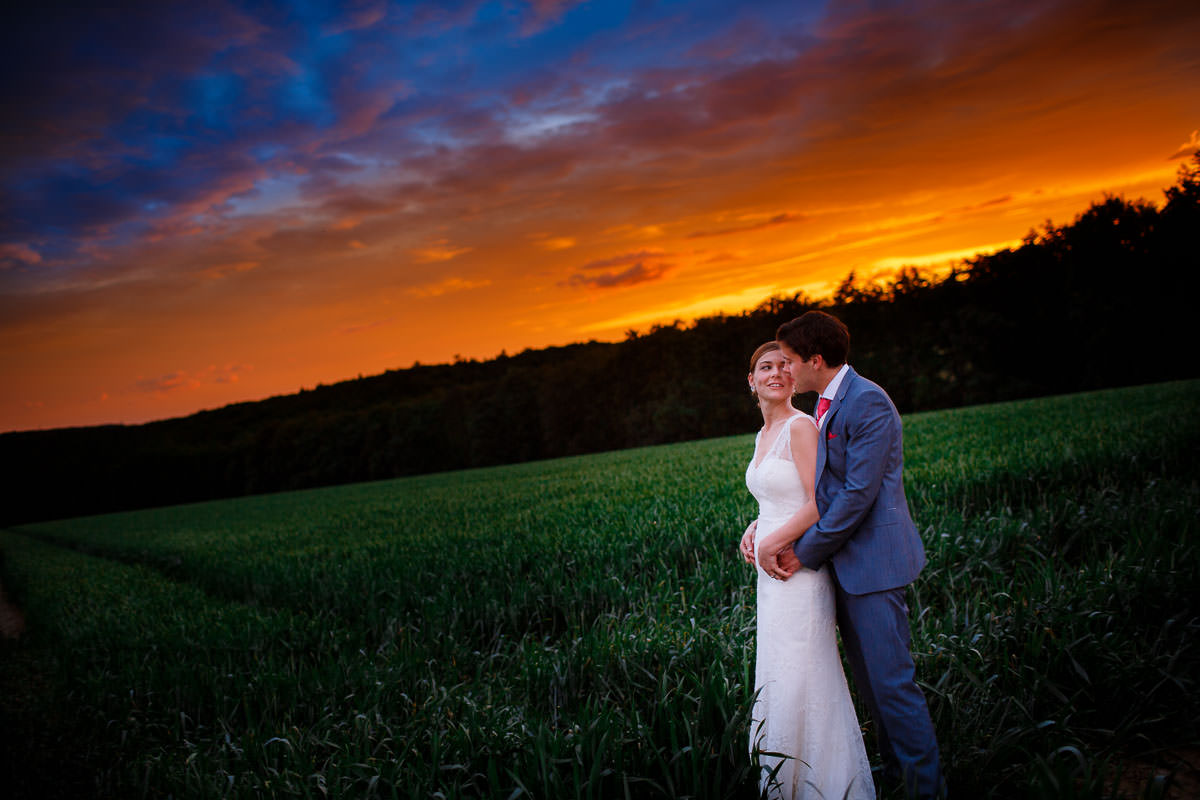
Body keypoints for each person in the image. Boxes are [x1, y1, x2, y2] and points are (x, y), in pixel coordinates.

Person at [764, 310, 945, 799]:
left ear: (815, 359)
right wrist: (765, 527)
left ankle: (926, 791)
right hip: (843, 569)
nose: (786, 369)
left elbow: (856, 496)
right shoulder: (826, 404)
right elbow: (816, 489)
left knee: (893, 689)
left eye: (791, 360)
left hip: (873, 567)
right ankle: (898, 781)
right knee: (873, 691)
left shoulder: (867, 402)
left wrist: (804, 553)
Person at [740, 340, 875, 800]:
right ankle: (785, 781)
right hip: (771, 576)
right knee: (779, 671)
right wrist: (756, 527)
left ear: (795, 378)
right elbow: (778, 498)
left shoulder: (801, 428)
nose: (776, 373)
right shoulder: (762, 435)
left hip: (799, 570)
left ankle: (826, 786)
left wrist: (774, 540)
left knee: (805, 671)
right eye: (766, 367)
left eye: (784, 365)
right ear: (752, 381)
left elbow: (821, 502)